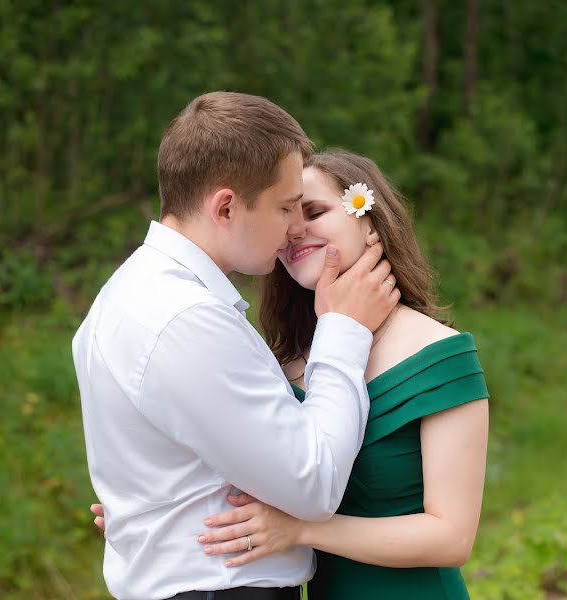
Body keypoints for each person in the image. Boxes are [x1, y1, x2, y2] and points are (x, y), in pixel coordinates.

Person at [94, 150, 488, 597]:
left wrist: (304, 530)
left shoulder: (439, 356)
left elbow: (451, 537)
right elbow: (257, 470)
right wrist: (155, 507)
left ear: (369, 221)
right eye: (286, 216)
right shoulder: (287, 362)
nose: (294, 230)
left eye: (315, 212)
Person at [73, 94, 399, 600]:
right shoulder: (185, 318)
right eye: (285, 207)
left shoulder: (125, 294)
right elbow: (313, 484)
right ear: (226, 206)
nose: (295, 228)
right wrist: (344, 330)